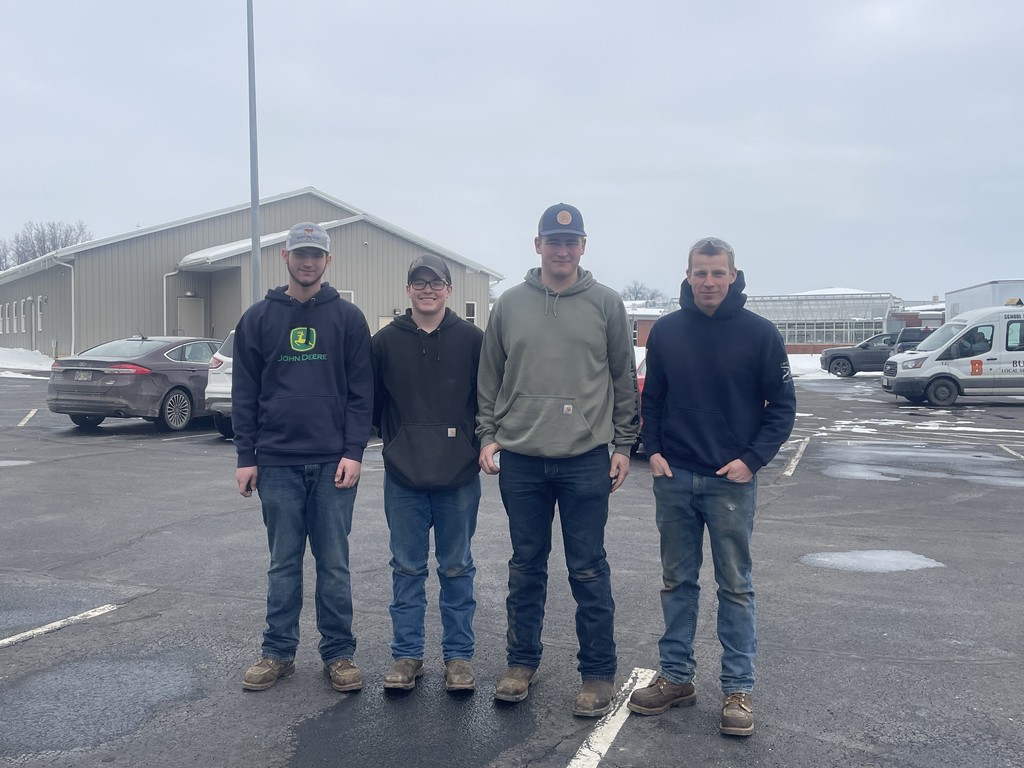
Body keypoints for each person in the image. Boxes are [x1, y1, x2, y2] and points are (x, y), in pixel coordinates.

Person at [626, 237, 796, 736]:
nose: (709, 282)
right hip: (675, 476)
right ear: (688, 275)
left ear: (733, 276)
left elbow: (783, 406)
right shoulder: (667, 332)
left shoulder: (760, 334)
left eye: (718, 273)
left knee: (735, 586)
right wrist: (654, 449)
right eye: (700, 273)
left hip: (730, 482)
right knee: (677, 582)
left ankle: (738, 689)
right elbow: (653, 397)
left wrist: (752, 461)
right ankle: (677, 678)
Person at [477, 203, 639, 718]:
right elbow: (489, 376)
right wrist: (488, 435)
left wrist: (623, 445)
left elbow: (622, 378)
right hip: (522, 459)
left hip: (585, 460)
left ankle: (597, 672)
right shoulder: (509, 304)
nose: (562, 250)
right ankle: (520, 663)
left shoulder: (606, 303)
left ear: (583, 247)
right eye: (553, 241)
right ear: (538, 245)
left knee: (588, 568)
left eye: (571, 242)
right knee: (526, 566)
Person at [233, 222, 373, 693]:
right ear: (284, 256)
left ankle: (339, 654)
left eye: (316, 254)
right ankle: (277, 652)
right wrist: (246, 456)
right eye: (300, 253)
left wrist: (353, 451)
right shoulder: (258, 318)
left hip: (334, 463)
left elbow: (361, 393)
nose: (308, 262)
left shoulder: (348, 318)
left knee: (334, 564)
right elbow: (244, 393)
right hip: (276, 463)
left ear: (328, 260)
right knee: (283, 563)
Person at [371, 254, 484, 693]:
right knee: (407, 569)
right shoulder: (384, 342)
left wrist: (475, 444)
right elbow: (373, 404)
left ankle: (459, 658)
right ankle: (407, 656)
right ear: (408, 290)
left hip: (459, 476)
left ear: (449, 289)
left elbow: (486, 400)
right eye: (419, 283)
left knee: (457, 568)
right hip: (403, 476)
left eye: (436, 283)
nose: (427, 290)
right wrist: (397, 441)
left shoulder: (472, 340)